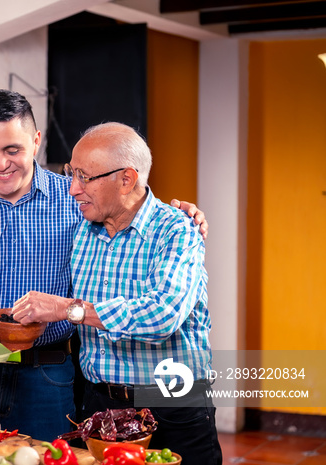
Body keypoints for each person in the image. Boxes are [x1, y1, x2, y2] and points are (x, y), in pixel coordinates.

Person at [0, 89, 207, 441]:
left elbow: (130, 207)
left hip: (49, 373)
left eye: (13, 150)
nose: (1, 163)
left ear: (36, 141)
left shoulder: (78, 200)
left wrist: (179, 211)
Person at [12, 122, 221, 464]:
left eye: (84, 177)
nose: (72, 188)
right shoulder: (81, 227)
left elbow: (162, 315)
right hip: (100, 405)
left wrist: (70, 309)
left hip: (173, 406)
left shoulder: (178, 230)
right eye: (69, 174)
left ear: (126, 179)